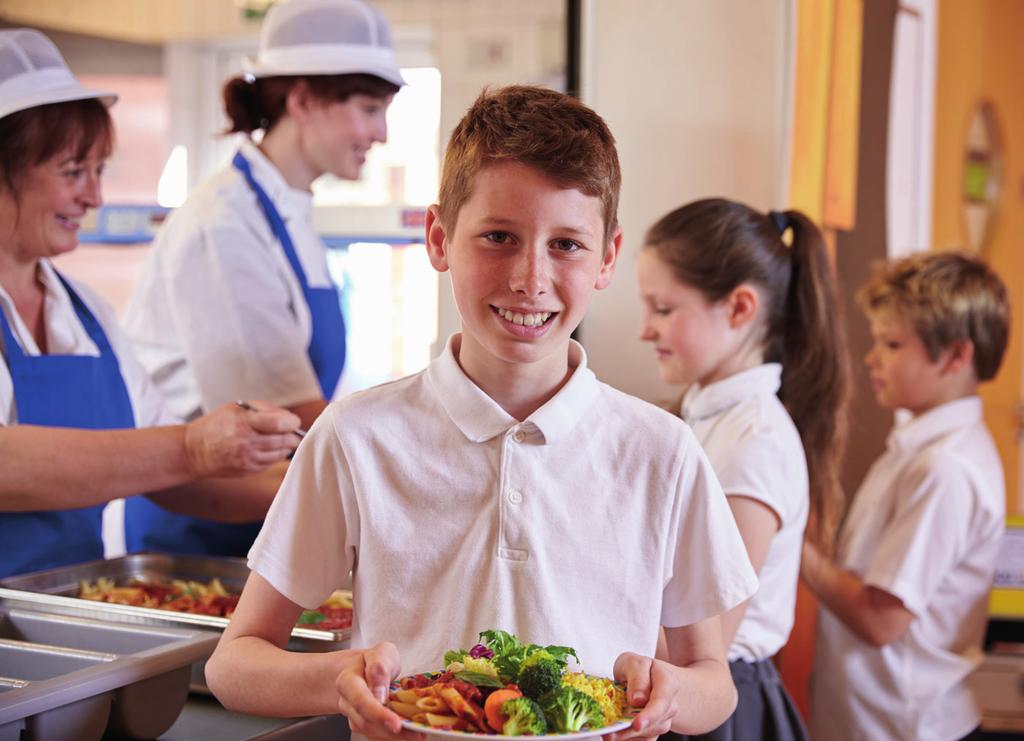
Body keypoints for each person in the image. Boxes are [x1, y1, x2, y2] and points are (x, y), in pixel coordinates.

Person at [205, 85, 760, 738]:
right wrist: (340, 677)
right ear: (439, 238)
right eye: (498, 235)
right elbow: (234, 664)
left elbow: (712, 678)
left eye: (566, 245)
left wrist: (673, 695)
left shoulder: (662, 451)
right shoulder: (357, 437)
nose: (530, 277)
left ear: (607, 257)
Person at [0, 28, 301, 579]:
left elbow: (174, 476)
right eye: (73, 173)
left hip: (63, 610)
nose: (94, 197)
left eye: (98, 172)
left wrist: (325, 489)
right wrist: (190, 445)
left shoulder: (84, 312)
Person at [121, 0, 404, 557]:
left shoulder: (288, 211)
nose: (383, 132)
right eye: (370, 108)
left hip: (270, 508)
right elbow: (284, 417)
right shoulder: (222, 223)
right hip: (206, 528)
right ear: (301, 100)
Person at [635, 199, 849, 741]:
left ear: (738, 308)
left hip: (720, 709)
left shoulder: (755, 442)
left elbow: (709, 640)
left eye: (663, 309)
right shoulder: (703, 417)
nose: (645, 329)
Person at [801, 251, 1009, 741]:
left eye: (892, 344)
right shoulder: (916, 449)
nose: (872, 359)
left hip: (904, 728)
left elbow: (881, 621)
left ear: (957, 356)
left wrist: (800, 552)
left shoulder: (945, 468)